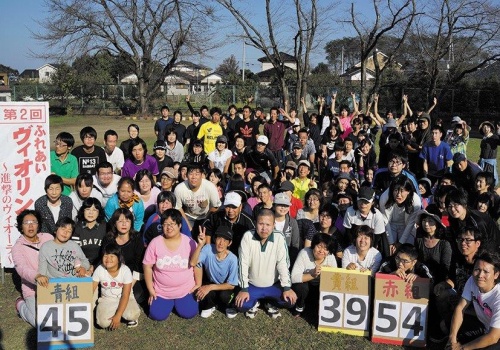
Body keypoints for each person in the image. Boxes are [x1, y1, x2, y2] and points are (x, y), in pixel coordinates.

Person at [235, 209, 297, 319]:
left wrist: (287, 287)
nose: (264, 228)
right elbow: (243, 264)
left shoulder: (279, 237)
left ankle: (270, 303)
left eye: (268, 224)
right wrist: (244, 289)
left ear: (273, 225)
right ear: (255, 223)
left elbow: (283, 263)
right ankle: (255, 303)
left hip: (274, 284)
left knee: (290, 301)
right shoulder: (248, 236)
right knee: (241, 305)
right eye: (261, 224)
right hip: (253, 285)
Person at [143, 209, 199, 321]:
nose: (169, 227)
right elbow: (147, 266)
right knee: (157, 315)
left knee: (190, 313)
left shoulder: (190, 242)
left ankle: (179, 302)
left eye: (172, 224)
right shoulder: (155, 242)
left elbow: (197, 264)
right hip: (162, 291)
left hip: (185, 289)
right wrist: (151, 289)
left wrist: (198, 283)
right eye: (165, 224)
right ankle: (167, 303)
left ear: (179, 225)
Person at [448, 251, 500, 350]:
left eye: (486, 272)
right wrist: (452, 338)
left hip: (497, 335)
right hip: (484, 326)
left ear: (496, 275)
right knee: (447, 325)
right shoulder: (472, 280)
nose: (480, 275)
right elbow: (460, 308)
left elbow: (493, 337)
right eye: (477, 269)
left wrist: (463, 348)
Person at [12, 210, 53, 327]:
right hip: (32, 290)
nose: (30, 226)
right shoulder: (18, 247)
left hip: (53, 286)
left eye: (34, 222)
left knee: (60, 316)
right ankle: (21, 305)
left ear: (38, 225)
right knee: (39, 322)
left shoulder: (48, 238)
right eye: (26, 223)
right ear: (21, 226)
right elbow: (21, 268)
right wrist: (37, 276)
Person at [189, 226, 239, 318]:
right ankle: (213, 305)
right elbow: (193, 263)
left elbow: (231, 285)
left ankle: (228, 306)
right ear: (215, 239)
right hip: (213, 283)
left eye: (225, 240)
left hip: (226, 288)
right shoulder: (208, 249)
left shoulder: (233, 259)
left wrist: (210, 287)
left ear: (229, 243)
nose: (221, 243)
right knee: (201, 295)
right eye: (219, 238)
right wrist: (200, 245)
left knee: (225, 296)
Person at [93, 243, 141, 329]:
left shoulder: (125, 270)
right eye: (105, 256)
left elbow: (126, 295)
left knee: (132, 314)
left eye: (112, 256)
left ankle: (122, 314)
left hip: (125, 297)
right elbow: (91, 289)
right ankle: (116, 312)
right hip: (107, 298)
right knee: (102, 323)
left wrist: (118, 316)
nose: (108, 259)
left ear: (119, 258)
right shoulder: (99, 269)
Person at [102, 208, 146, 303]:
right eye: (120, 221)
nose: (124, 224)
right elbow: (104, 260)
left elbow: (138, 266)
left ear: (131, 223)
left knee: (138, 295)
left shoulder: (137, 238)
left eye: (127, 221)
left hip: (132, 277)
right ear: (115, 223)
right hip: (112, 275)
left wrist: (128, 286)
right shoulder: (108, 239)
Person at [291, 233, 338, 317]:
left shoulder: (330, 257)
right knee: (301, 287)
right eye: (319, 246)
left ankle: (321, 307)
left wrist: (329, 273)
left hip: (319, 289)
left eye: (325, 249)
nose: (321, 251)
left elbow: (335, 279)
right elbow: (293, 277)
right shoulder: (304, 253)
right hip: (306, 287)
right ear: (313, 245)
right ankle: (299, 306)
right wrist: (312, 274)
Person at [37, 217, 90, 283]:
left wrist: (83, 268)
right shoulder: (45, 247)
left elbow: (86, 262)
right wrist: (41, 277)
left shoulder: (74, 245)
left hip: (74, 282)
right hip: (55, 284)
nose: (65, 233)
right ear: (56, 230)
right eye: (63, 229)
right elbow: (42, 271)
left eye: (69, 231)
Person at [201, 191, 255, 256]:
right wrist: (209, 251)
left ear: (240, 207)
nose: (230, 210)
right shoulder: (215, 216)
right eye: (228, 207)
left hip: (239, 254)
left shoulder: (248, 221)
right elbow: (207, 231)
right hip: (216, 253)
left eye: (234, 207)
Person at [379, 175, 422, 254]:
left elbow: (410, 224)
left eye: (402, 191)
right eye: (395, 190)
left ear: (408, 191)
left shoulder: (416, 201)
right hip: (390, 225)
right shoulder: (384, 198)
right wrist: (391, 242)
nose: (398, 195)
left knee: (407, 249)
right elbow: (385, 221)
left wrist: (401, 243)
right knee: (388, 250)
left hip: (406, 226)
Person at [343, 186, 389, 258]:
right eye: (361, 201)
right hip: (354, 243)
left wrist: (367, 250)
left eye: (366, 202)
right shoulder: (350, 211)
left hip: (371, 244)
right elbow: (348, 233)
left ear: (372, 202)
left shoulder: (377, 216)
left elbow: (377, 238)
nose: (363, 204)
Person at [174, 163, 221, 228]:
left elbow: (215, 206)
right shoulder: (179, 188)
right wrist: (188, 226)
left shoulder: (210, 187)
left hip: (206, 215)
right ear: (187, 175)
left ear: (202, 175)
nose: (193, 177)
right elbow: (178, 208)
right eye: (191, 174)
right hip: (189, 216)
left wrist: (206, 221)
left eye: (197, 174)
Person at [72, 197, 106, 273]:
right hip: (81, 266)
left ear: (99, 212)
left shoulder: (104, 227)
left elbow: (106, 252)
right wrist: (82, 267)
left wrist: (94, 266)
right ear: (83, 211)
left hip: (101, 265)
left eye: (94, 210)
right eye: (88, 209)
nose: (91, 213)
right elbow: (75, 252)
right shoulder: (77, 227)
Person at [273, 192, 300, 264]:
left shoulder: (292, 222)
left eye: (286, 205)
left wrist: (290, 262)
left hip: (286, 261)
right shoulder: (268, 221)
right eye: (280, 205)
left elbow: (295, 244)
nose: (283, 208)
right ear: (274, 206)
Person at [50, 131, 78, 196]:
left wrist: (57, 177)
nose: (57, 146)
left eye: (61, 145)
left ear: (69, 147)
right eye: (56, 143)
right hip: (50, 195)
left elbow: (74, 180)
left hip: (66, 195)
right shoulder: (49, 156)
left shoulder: (73, 159)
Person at [478, 121, 499, 185]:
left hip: (489, 164)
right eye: (484, 127)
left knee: (489, 179)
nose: (486, 128)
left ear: (490, 128)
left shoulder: (494, 137)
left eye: (488, 127)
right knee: (482, 178)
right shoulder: (484, 138)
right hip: (482, 162)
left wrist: (499, 132)